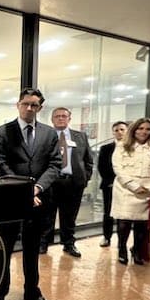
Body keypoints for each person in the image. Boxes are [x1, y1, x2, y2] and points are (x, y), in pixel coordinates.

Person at [0, 88, 61, 300]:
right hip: (11, 199)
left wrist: (37, 188)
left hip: (40, 200)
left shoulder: (50, 134)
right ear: (18, 104)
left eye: (34, 105)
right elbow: (2, 164)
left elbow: (54, 164)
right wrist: (25, 190)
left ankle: (32, 291)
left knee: (33, 248)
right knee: (6, 247)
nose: (29, 108)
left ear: (40, 108)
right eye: (26, 104)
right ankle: (0, 293)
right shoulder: (2, 132)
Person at [110, 117, 150, 265]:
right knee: (124, 222)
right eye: (141, 128)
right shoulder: (123, 145)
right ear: (134, 129)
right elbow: (118, 168)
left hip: (147, 190)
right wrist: (133, 186)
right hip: (125, 190)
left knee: (141, 225)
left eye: (148, 129)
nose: (144, 132)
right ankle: (121, 248)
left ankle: (136, 250)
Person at [39, 107, 94, 257]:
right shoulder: (45, 136)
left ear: (70, 119)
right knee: (47, 215)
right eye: (57, 116)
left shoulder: (80, 136)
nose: (61, 118)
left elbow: (88, 160)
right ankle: (44, 243)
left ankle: (69, 244)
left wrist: (85, 177)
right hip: (51, 183)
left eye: (64, 116)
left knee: (70, 216)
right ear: (52, 119)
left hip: (73, 183)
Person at [97, 121, 128, 247]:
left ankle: (122, 242)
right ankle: (106, 237)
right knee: (108, 212)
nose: (119, 132)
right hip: (110, 185)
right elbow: (102, 167)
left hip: (128, 186)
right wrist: (112, 182)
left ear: (127, 131)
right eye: (116, 130)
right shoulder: (105, 148)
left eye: (122, 129)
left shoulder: (133, 147)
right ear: (113, 132)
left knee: (124, 214)